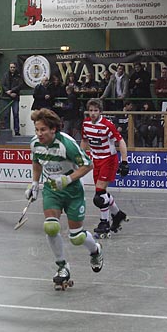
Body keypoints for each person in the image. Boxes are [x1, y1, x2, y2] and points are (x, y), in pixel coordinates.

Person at [26, 107, 103, 289]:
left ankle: (95, 250)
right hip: (51, 189)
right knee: (51, 227)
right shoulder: (35, 144)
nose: (39, 134)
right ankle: (62, 267)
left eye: (43, 130)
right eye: (37, 130)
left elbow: (87, 165)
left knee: (76, 237)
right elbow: (36, 162)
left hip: (73, 190)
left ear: (53, 129)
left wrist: (67, 179)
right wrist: (35, 184)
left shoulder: (66, 144)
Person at [79, 98, 130, 239]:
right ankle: (118, 215)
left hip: (109, 160)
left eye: (96, 111)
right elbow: (84, 141)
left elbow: (120, 141)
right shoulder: (86, 124)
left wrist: (124, 161)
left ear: (100, 111)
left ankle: (104, 223)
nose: (93, 113)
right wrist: (81, 158)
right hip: (96, 160)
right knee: (101, 194)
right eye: (91, 110)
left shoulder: (107, 125)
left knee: (99, 195)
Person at [2, 62, 23, 134]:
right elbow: (3, 85)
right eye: (11, 67)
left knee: (16, 114)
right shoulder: (5, 75)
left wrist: (12, 91)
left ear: (15, 68)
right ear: (9, 67)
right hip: (6, 97)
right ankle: (7, 130)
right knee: (6, 114)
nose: (12, 69)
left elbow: (20, 85)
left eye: (13, 67)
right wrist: (8, 92)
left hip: (15, 97)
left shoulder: (19, 76)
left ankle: (16, 130)